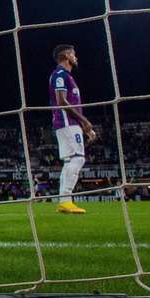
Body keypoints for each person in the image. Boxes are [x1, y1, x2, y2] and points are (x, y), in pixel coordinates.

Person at [49, 44, 96, 214]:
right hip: (66, 122)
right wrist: (84, 121)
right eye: (73, 54)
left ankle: (65, 202)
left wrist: (84, 126)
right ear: (66, 55)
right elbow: (61, 102)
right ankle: (65, 199)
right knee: (78, 158)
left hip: (70, 123)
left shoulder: (67, 76)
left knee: (70, 161)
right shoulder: (60, 75)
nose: (76, 57)